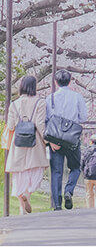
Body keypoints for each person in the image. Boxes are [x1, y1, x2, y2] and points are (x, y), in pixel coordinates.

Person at [5, 76, 48, 215]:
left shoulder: (14, 104)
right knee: (36, 172)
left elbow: (11, 125)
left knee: (19, 176)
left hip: (18, 142)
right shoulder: (40, 102)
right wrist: (47, 141)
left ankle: (22, 209)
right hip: (34, 142)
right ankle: (27, 195)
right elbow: (40, 124)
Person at [46, 69, 87, 210]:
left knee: (56, 171)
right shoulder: (77, 97)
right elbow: (83, 117)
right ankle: (69, 190)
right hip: (72, 139)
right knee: (75, 167)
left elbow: (46, 119)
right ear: (70, 81)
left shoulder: (50, 98)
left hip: (55, 140)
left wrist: (50, 141)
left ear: (55, 82)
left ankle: (57, 204)